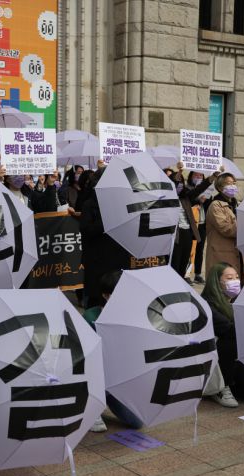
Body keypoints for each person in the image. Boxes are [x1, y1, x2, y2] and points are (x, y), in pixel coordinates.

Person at [82, 270, 144, 432]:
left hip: (119, 379)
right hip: (95, 377)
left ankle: (102, 401)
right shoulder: (91, 317)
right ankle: (91, 408)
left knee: (137, 421)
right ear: (105, 295)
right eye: (117, 294)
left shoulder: (131, 316)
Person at [201, 262, 244, 406]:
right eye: (229, 278)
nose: (235, 281)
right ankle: (220, 387)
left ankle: (231, 382)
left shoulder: (235, 301)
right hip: (215, 358)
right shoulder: (207, 304)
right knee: (231, 339)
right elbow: (229, 329)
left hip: (236, 359)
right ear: (216, 281)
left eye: (237, 277)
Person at [79, 169, 130, 308]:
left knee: (119, 301)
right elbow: (86, 229)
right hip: (97, 262)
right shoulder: (89, 204)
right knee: (97, 302)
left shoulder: (122, 203)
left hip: (119, 259)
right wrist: (108, 219)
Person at [169, 163, 220, 281]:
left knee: (183, 262)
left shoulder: (186, 197)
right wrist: (180, 172)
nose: (180, 185)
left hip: (187, 233)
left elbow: (200, 188)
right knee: (175, 263)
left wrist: (213, 176)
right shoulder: (167, 199)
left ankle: (181, 283)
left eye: (181, 182)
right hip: (175, 235)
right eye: (177, 183)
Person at [205, 173, 244, 283]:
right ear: (220, 187)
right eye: (229, 184)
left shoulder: (237, 204)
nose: (233, 186)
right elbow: (226, 228)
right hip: (222, 252)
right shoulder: (216, 205)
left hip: (238, 252)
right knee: (223, 284)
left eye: (234, 183)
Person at [188, 171, 209, 283]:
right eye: (196, 175)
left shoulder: (207, 189)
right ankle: (186, 274)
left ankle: (198, 274)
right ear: (191, 176)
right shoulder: (187, 188)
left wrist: (205, 201)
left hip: (202, 223)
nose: (198, 177)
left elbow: (209, 205)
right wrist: (197, 200)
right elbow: (187, 202)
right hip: (191, 223)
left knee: (200, 250)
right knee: (189, 250)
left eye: (201, 175)